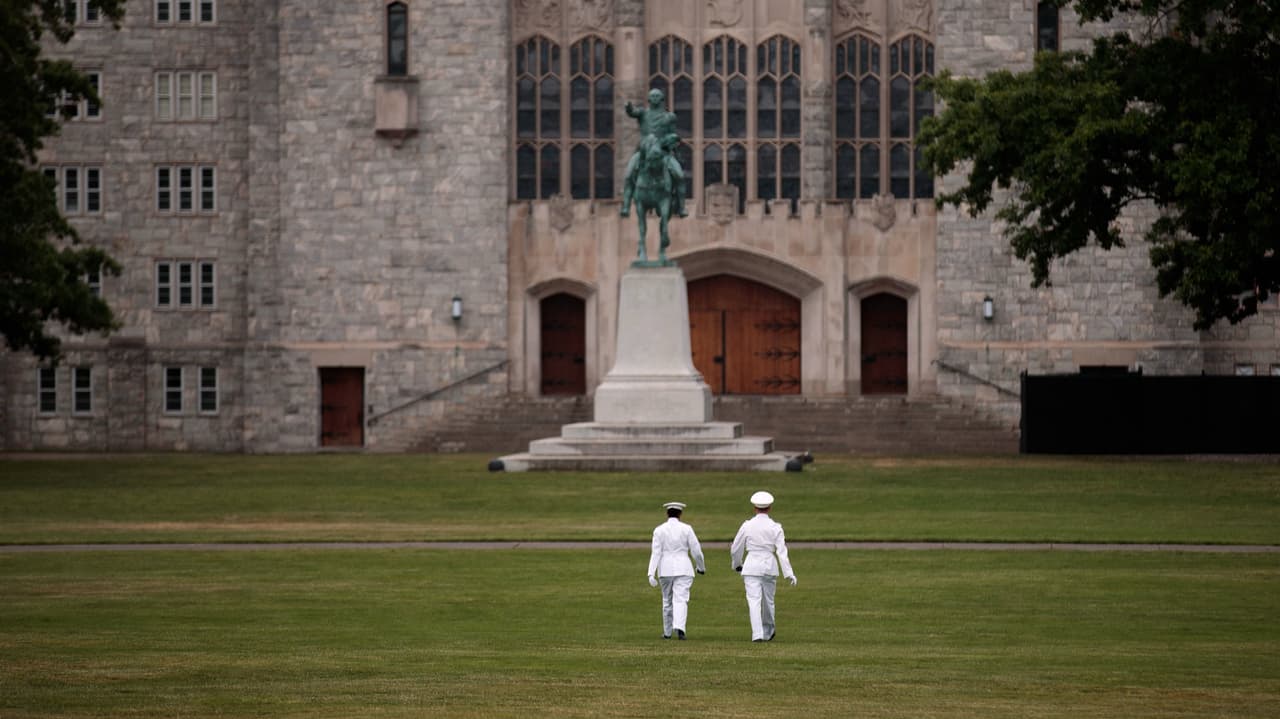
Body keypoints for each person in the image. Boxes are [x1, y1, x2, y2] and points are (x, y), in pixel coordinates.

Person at [730, 490, 797, 642]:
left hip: (751, 565)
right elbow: (782, 552)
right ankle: (768, 631)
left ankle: (757, 634)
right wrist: (788, 573)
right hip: (768, 566)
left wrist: (737, 564)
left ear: (755, 507)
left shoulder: (747, 526)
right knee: (768, 601)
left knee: (753, 601)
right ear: (769, 507)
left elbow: (736, 548)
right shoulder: (775, 527)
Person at [646, 501, 706, 640]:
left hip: (665, 570)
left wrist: (651, 573)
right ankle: (680, 629)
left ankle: (667, 633)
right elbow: (696, 551)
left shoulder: (659, 530)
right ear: (680, 514)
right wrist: (701, 567)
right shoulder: (687, 529)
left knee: (667, 600)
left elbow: (656, 553)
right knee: (681, 599)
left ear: (667, 513)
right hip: (684, 568)